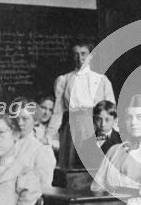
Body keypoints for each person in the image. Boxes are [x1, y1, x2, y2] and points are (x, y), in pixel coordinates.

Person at [47, 40, 115, 169]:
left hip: (96, 126)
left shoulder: (102, 80)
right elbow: (58, 110)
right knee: (71, 167)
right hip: (73, 127)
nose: (80, 58)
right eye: (76, 54)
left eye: (84, 53)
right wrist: (50, 134)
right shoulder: (64, 79)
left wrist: (110, 132)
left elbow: (111, 109)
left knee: (95, 166)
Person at [11, 97, 56, 190]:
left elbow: (43, 187)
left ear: (35, 120)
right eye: (16, 118)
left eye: (25, 119)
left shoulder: (42, 150)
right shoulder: (6, 144)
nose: (19, 123)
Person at [74, 100, 122, 169]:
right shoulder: (86, 143)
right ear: (93, 120)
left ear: (115, 120)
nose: (103, 124)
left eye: (107, 120)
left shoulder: (121, 141)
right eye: (99, 119)